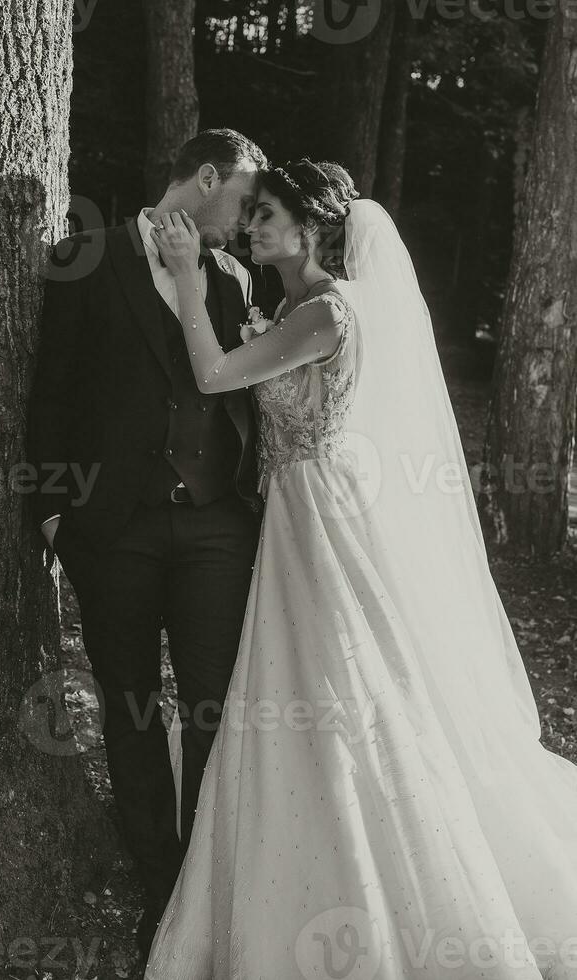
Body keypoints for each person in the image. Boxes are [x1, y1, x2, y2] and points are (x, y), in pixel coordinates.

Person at [143, 159, 577, 979]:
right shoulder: (289, 304)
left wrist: (189, 286)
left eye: (268, 215)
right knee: (292, 686)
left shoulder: (330, 312)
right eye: (255, 213)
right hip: (291, 517)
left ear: (312, 230)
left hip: (323, 519)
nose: (254, 226)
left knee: (345, 685)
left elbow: (215, 374)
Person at [26, 128, 267, 959]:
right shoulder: (82, 259)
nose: (242, 221)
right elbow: (49, 390)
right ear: (206, 178)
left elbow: (241, 399)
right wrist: (54, 513)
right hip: (111, 530)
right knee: (129, 707)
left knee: (211, 708)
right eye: (240, 199)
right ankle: (159, 885)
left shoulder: (233, 279)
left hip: (213, 530)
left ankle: (202, 882)